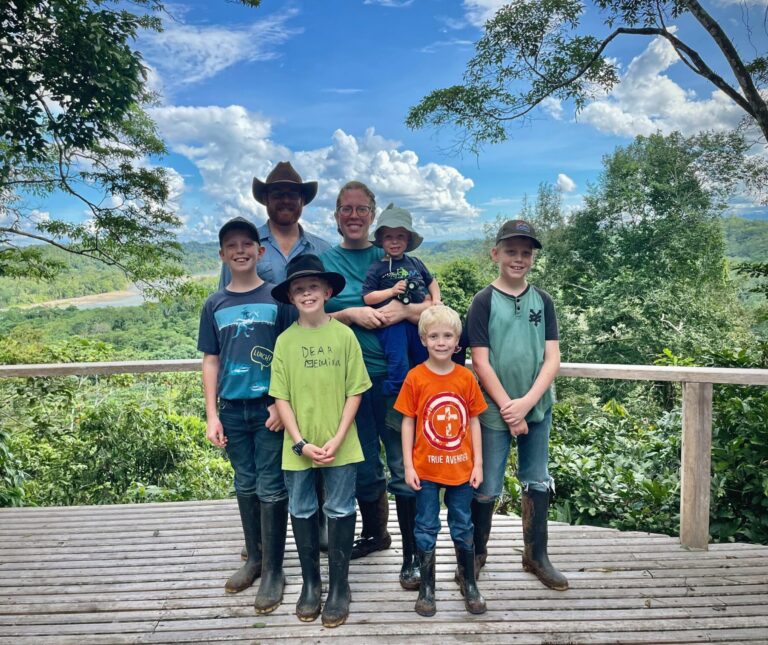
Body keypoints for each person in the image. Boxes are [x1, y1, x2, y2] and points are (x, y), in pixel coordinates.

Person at [320, 181, 433, 591]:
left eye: (361, 209)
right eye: (345, 209)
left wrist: (402, 311)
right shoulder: (325, 261)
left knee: (404, 466)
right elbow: (309, 314)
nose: (353, 216)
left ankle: (413, 558)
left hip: (397, 378)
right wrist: (350, 314)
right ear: (335, 215)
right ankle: (375, 534)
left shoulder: (391, 254)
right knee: (364, 464)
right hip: (348, 381)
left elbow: (432, 309)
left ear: (372, 216)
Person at [219, 161, 331, 559]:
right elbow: (228, 314)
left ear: (302, 201)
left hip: (309, 370)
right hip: (259, 383)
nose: (285, 199)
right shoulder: (247, 245)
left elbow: (328, 308)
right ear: (266, 199)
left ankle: (315, 530)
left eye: (292, 193)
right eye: (277, 193)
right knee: (262, 474)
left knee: (313, 444)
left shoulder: (321, 249)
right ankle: (264, 553)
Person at [269, 254, 371, 627]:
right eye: (299, 288)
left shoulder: (344, 335)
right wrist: (299, 442)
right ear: (291, 297)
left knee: (342, 509)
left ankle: (339, 587)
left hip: (341, 441)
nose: (306, 293)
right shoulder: (285, 342)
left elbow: (355, 391)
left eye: (313, 287)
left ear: (327, 291)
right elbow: (281, 397)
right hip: (298, 446)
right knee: (302, 508)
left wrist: (339, 436)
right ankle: (311, 583)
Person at [198, 216, 294, 613]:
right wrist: (211, 415)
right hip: (233, 410)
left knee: (271, 486)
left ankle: (274, 569)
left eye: (247, 244)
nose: (240, 250)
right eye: (231, 245)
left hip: (269, 409)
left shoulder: (277, 299)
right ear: (222, 255)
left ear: (260, 251)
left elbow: (289, 356)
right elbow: (210, 360)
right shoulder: (214, 303)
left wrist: (279, 403)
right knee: (245, 484)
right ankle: (253, 558)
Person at [466, 219, 568, 591]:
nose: (519, 258)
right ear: (496, 254)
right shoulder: (483, 301)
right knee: (487, 484)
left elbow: (552, 358)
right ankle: (475, 554)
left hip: (537, 407)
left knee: (537, 479)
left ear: (533, 259)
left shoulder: (543, 300)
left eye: (526, 253)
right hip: (493, 412)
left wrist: (526, 403)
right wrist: (509, 407)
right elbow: (480, 360)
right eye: (511, 251)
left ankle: (536, 555)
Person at [396, 305, 488, 617]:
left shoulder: (466, 378)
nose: (440, 342)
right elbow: (408, 421)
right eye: (434, 336)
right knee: (425, 525)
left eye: (447, 336)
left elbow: (474, 420)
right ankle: (427, 587)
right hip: (425, 469)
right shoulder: (415, 377)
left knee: (463, 524)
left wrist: (478, 463)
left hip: (461, 468)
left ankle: (470, 583)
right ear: (423, 339)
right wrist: (408, 465)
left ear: (457, 341)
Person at [362, 204, 441, 396]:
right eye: (389, 236)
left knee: (425, 353)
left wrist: (437, 301)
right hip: (392, 324)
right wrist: (391, 291)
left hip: (417, 321)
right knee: (398, 359)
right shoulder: (377, 268)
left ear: (408, 239)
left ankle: (428, 388)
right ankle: (396, 393)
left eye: (400, 236)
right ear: (381, 240)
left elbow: (432, 282)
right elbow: (368, 297)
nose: (394, 242)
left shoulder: (415, 263)